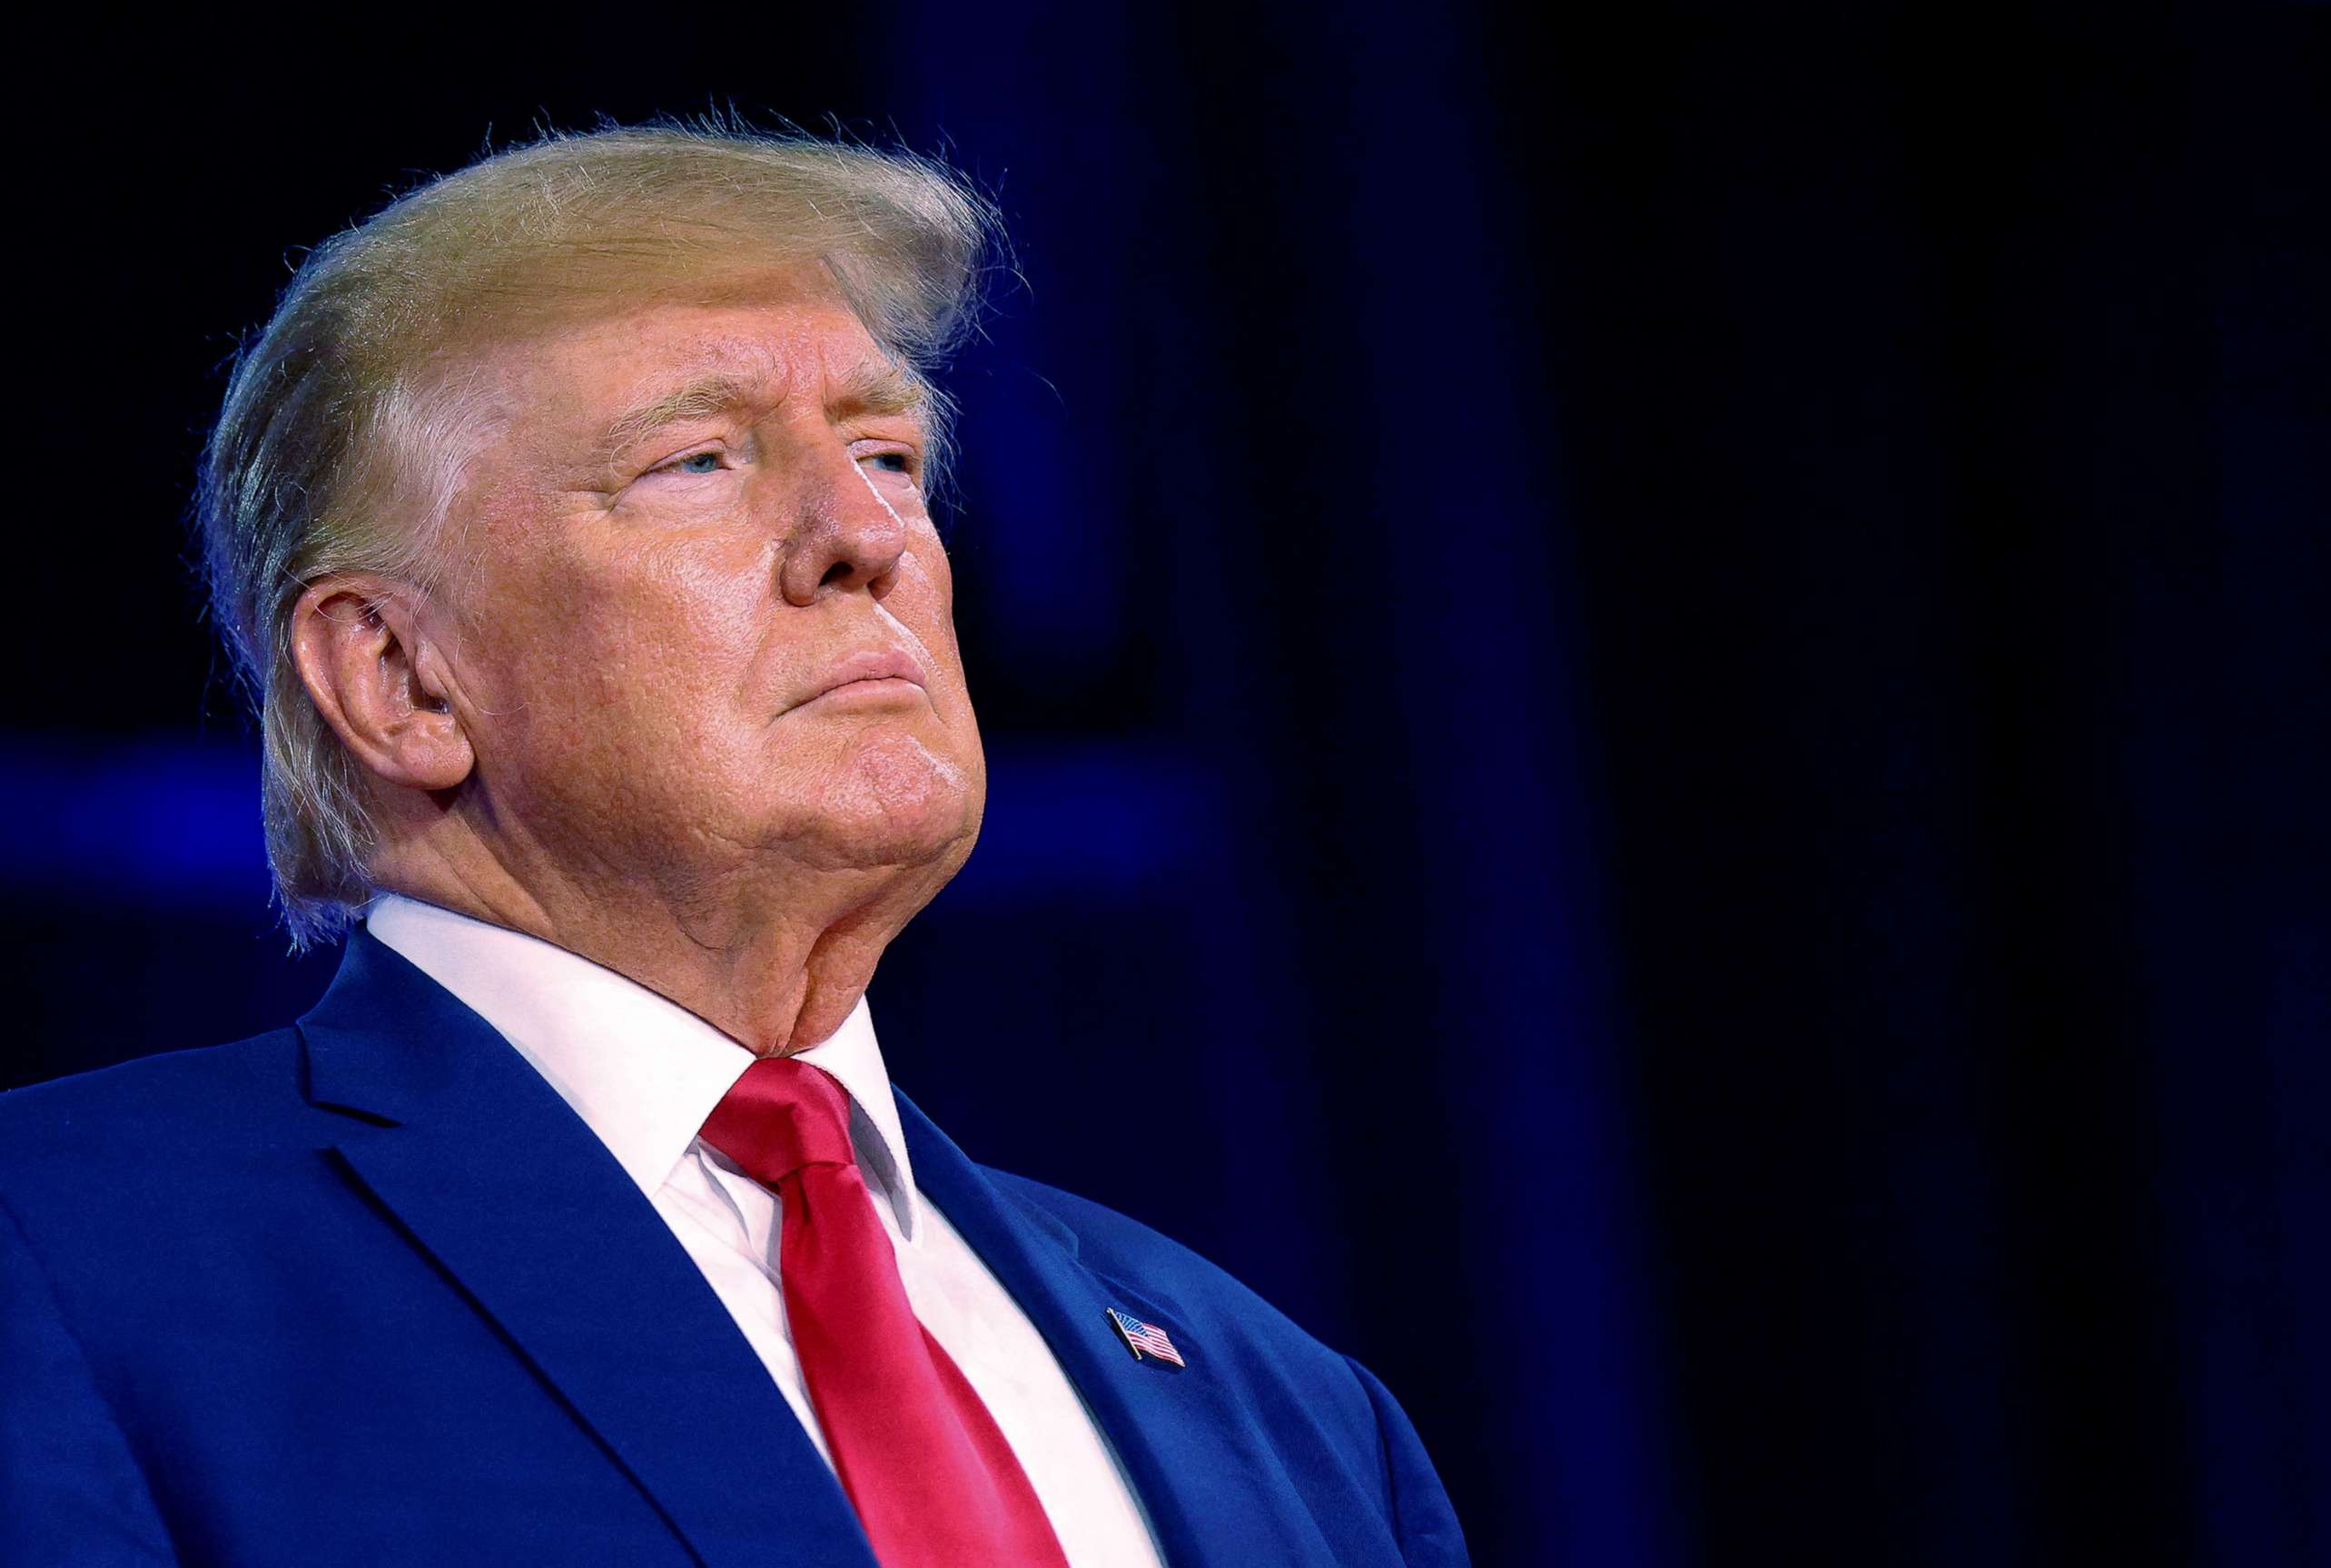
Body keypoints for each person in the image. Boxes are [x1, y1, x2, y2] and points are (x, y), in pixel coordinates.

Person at [0, 123, 1469, 1568]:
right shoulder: (69, 1258)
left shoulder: (1291, 1408)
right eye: (698, 460)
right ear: (399, 677)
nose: (865, 533)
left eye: (890, 452)